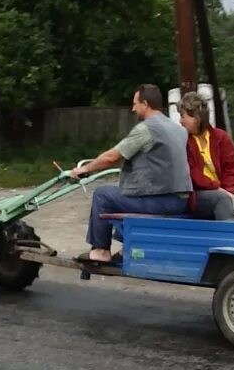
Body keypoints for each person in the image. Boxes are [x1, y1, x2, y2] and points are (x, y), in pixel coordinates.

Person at [69, 84, 192, 263]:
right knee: (126, 194)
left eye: (135, 104)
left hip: (161, 201)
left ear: (145, 103)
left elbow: (112, 156)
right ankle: (129, 247)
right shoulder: (178, 130)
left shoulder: (147, 129)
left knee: (103, 195)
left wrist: (83, 169)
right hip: (180, 200)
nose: (133, 108)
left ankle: (100, 251)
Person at [178, 91, 234, 220]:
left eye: (183, 116)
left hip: (223, 190)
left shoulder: (221, 137)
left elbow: (231, 169)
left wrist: (229, 191)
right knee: (222, 200)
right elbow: (192, 174)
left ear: (196, 118)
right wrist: (219, 190)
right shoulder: (183, 142)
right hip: (198, 194)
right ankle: (231, 238)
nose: (180, 121)